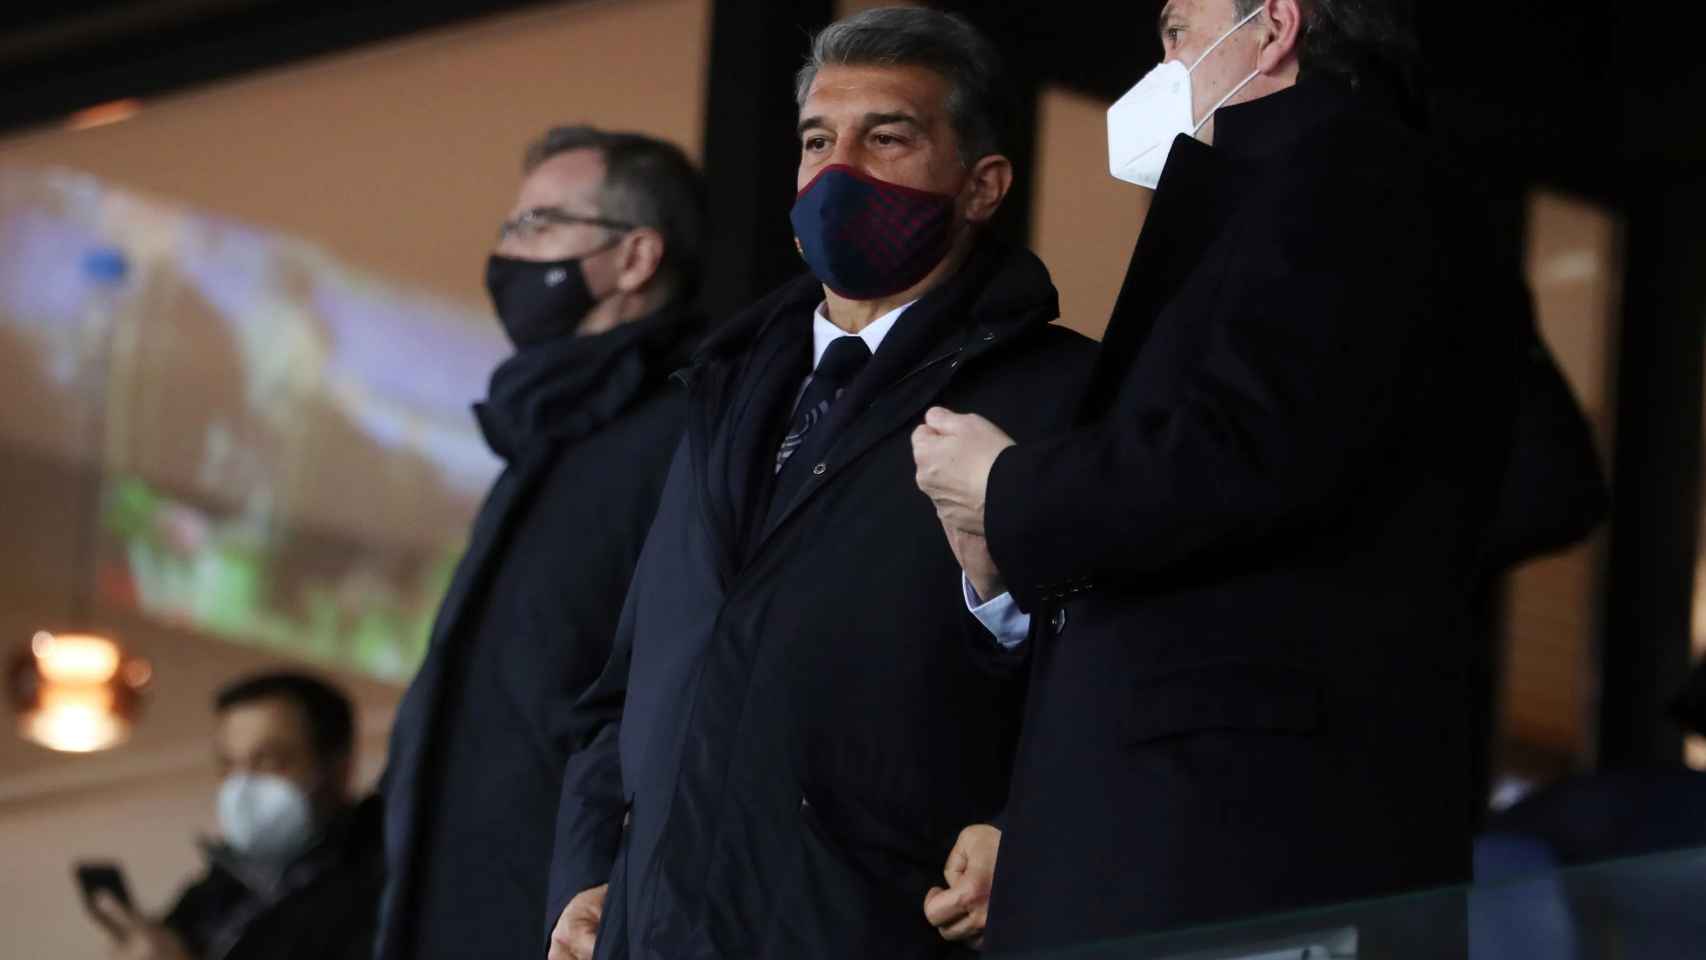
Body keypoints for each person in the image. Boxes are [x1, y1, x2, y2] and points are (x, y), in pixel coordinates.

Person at [912, 0, 1523, 951]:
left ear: (1273, 27)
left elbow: (1241, 450)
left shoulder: (1344, 175)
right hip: (1197, 831)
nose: (1158, 63)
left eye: (1175, 30)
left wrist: (1010, 484)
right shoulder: (1304, 189)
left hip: (1247, 838)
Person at [545, 9, 1095, 959]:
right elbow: (627, 691)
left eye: (887, 137)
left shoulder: (1061, 400)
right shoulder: (722, 398)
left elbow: (1101, 674)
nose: (840, 170)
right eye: (816, 140)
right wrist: (595, 875)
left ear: (982, 186)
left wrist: (1028, 826)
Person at [372, 127, 706, 960]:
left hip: (563, 926)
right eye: (508, 228)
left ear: (635, 259)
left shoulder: (687, 437)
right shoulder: (545, 442)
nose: (508, 253)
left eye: (540, 226)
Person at [91, 672, 383, 960]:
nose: (241, 787)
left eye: (268, 761)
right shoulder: (208, 895)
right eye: (229, 765)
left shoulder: (385, 885)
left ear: (338, 768)